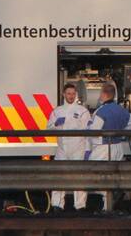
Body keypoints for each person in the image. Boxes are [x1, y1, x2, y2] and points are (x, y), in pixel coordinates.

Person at [86, 81, 131, 211]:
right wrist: (122, 133)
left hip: (103, 147)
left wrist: (87, 127)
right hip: (117, 146)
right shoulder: (121, 110)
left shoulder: (101, 112)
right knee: (113, 174)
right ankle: (107, 206)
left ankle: (111, 196)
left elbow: (94, 132)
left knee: (95, 174)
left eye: (100, 93)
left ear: (104, 94)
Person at [46, 83, 92, 212]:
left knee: (79, 176)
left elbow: (89, 131)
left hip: (78, 147)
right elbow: (48, 128)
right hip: (62, 149)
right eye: (68, 93)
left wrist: (88, 149)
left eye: (73, 94)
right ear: (63, 94)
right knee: (59, 176)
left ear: (76, 94)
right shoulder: (57, 111)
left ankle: (80, 205)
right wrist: (55, 124)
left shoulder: (83, 111)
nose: (71, 96)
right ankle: (57, 204)